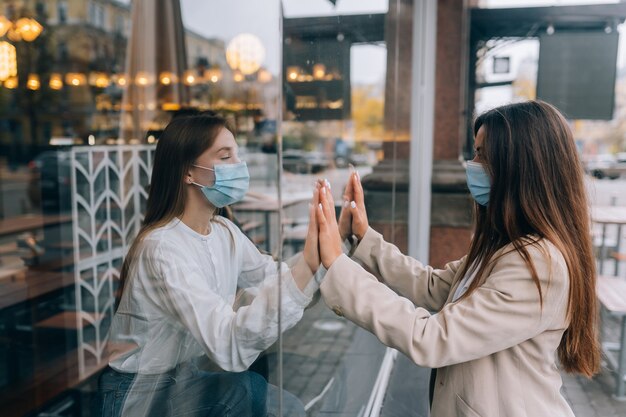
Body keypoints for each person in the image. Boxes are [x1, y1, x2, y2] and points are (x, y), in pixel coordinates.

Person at [308, 100, 600, 417]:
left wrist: (338, 266)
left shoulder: (539, 264)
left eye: (482, 155)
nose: (470, 164)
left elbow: (433, 339)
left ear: (519, 168)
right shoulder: (508, 244)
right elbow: (433, 285)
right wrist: (365, 238)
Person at [94, 113, 321, 417]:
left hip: (183, 379)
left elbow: (273, 277)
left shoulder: (224, 232)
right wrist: (311, 265)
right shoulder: (162, 248)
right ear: (188, 173)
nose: (239, 166)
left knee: (284, 405)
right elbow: (225, 342)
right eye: (225, 156)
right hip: (140, 391)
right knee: (248, 390)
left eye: (237, 155)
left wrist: (324, 256)